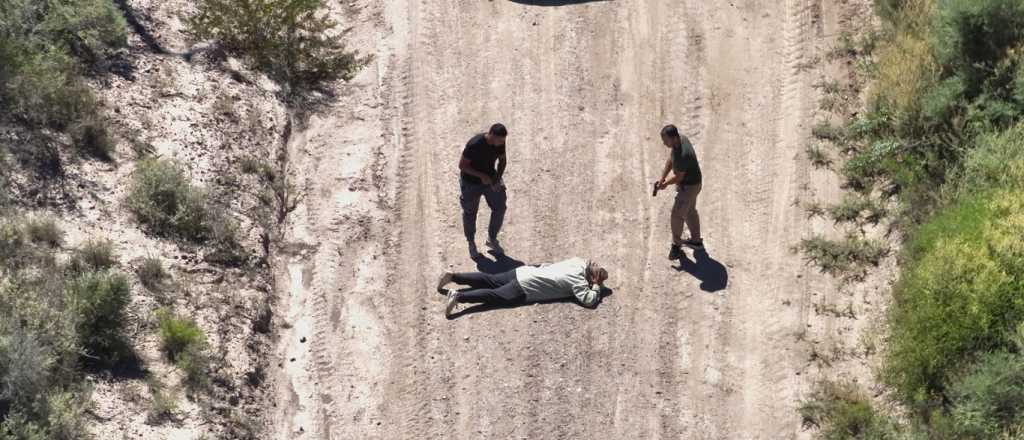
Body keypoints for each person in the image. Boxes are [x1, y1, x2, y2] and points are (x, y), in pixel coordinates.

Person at [436, 257, 608, 318]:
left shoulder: (578, 261)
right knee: (494, 296)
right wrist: (596, 287)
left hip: (523, 272)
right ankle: (459, 296)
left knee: (490, 279)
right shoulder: (578, 282)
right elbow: (588, 301)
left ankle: (453, 276)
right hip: (526, 288)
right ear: (593, 277)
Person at [459, 123, 509, 257]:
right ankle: (471, 242)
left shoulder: (500, 143)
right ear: (491, 134)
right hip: (470, 184)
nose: (500, 144)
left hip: (490, 179)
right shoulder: (474, 144)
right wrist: (481, 176)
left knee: (500, 207)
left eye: (503, 141)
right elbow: (462, 166)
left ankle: (492, 239)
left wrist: (497, 179)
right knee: (470, 213)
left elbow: (503, 161)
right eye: (499, 140)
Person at [655, 124, 703, 260]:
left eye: (665, 140)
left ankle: (676, 246)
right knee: (690, 211)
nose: (664, 143)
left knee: (676, 215)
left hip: (688, 187)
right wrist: (662, 177)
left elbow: (679, 177)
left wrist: (665, 184)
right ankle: (696, 241)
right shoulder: (680, 140)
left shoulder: (683, 154)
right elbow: (671, 159)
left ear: (674, 138)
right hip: (694, 184)